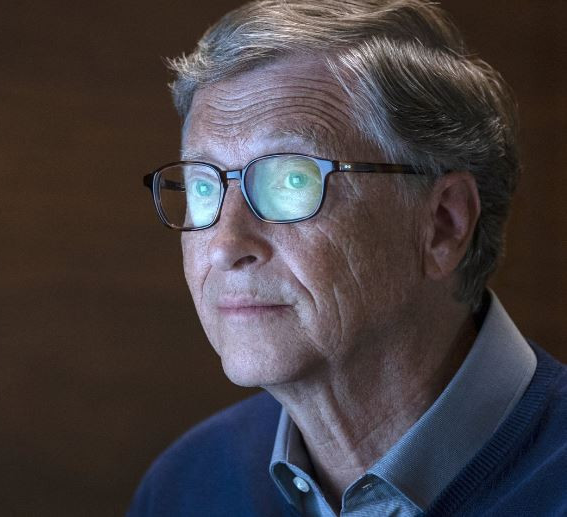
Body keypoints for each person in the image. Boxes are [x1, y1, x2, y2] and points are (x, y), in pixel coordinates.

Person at [128, 1, 567, 515]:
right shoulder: (185, 486)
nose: (225, 246)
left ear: (442, 224)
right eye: (204, 187)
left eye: (292, 180)